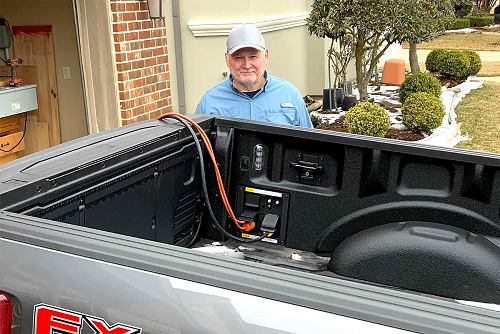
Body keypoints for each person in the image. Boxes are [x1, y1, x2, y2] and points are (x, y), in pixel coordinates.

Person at [195, 24, 313, 128]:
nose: (247, 65)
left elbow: (311, 147)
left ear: (266, 56)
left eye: (253, 57)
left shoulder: (289, 95)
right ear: (227, 59)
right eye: (239, 58)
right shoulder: (209, 102)